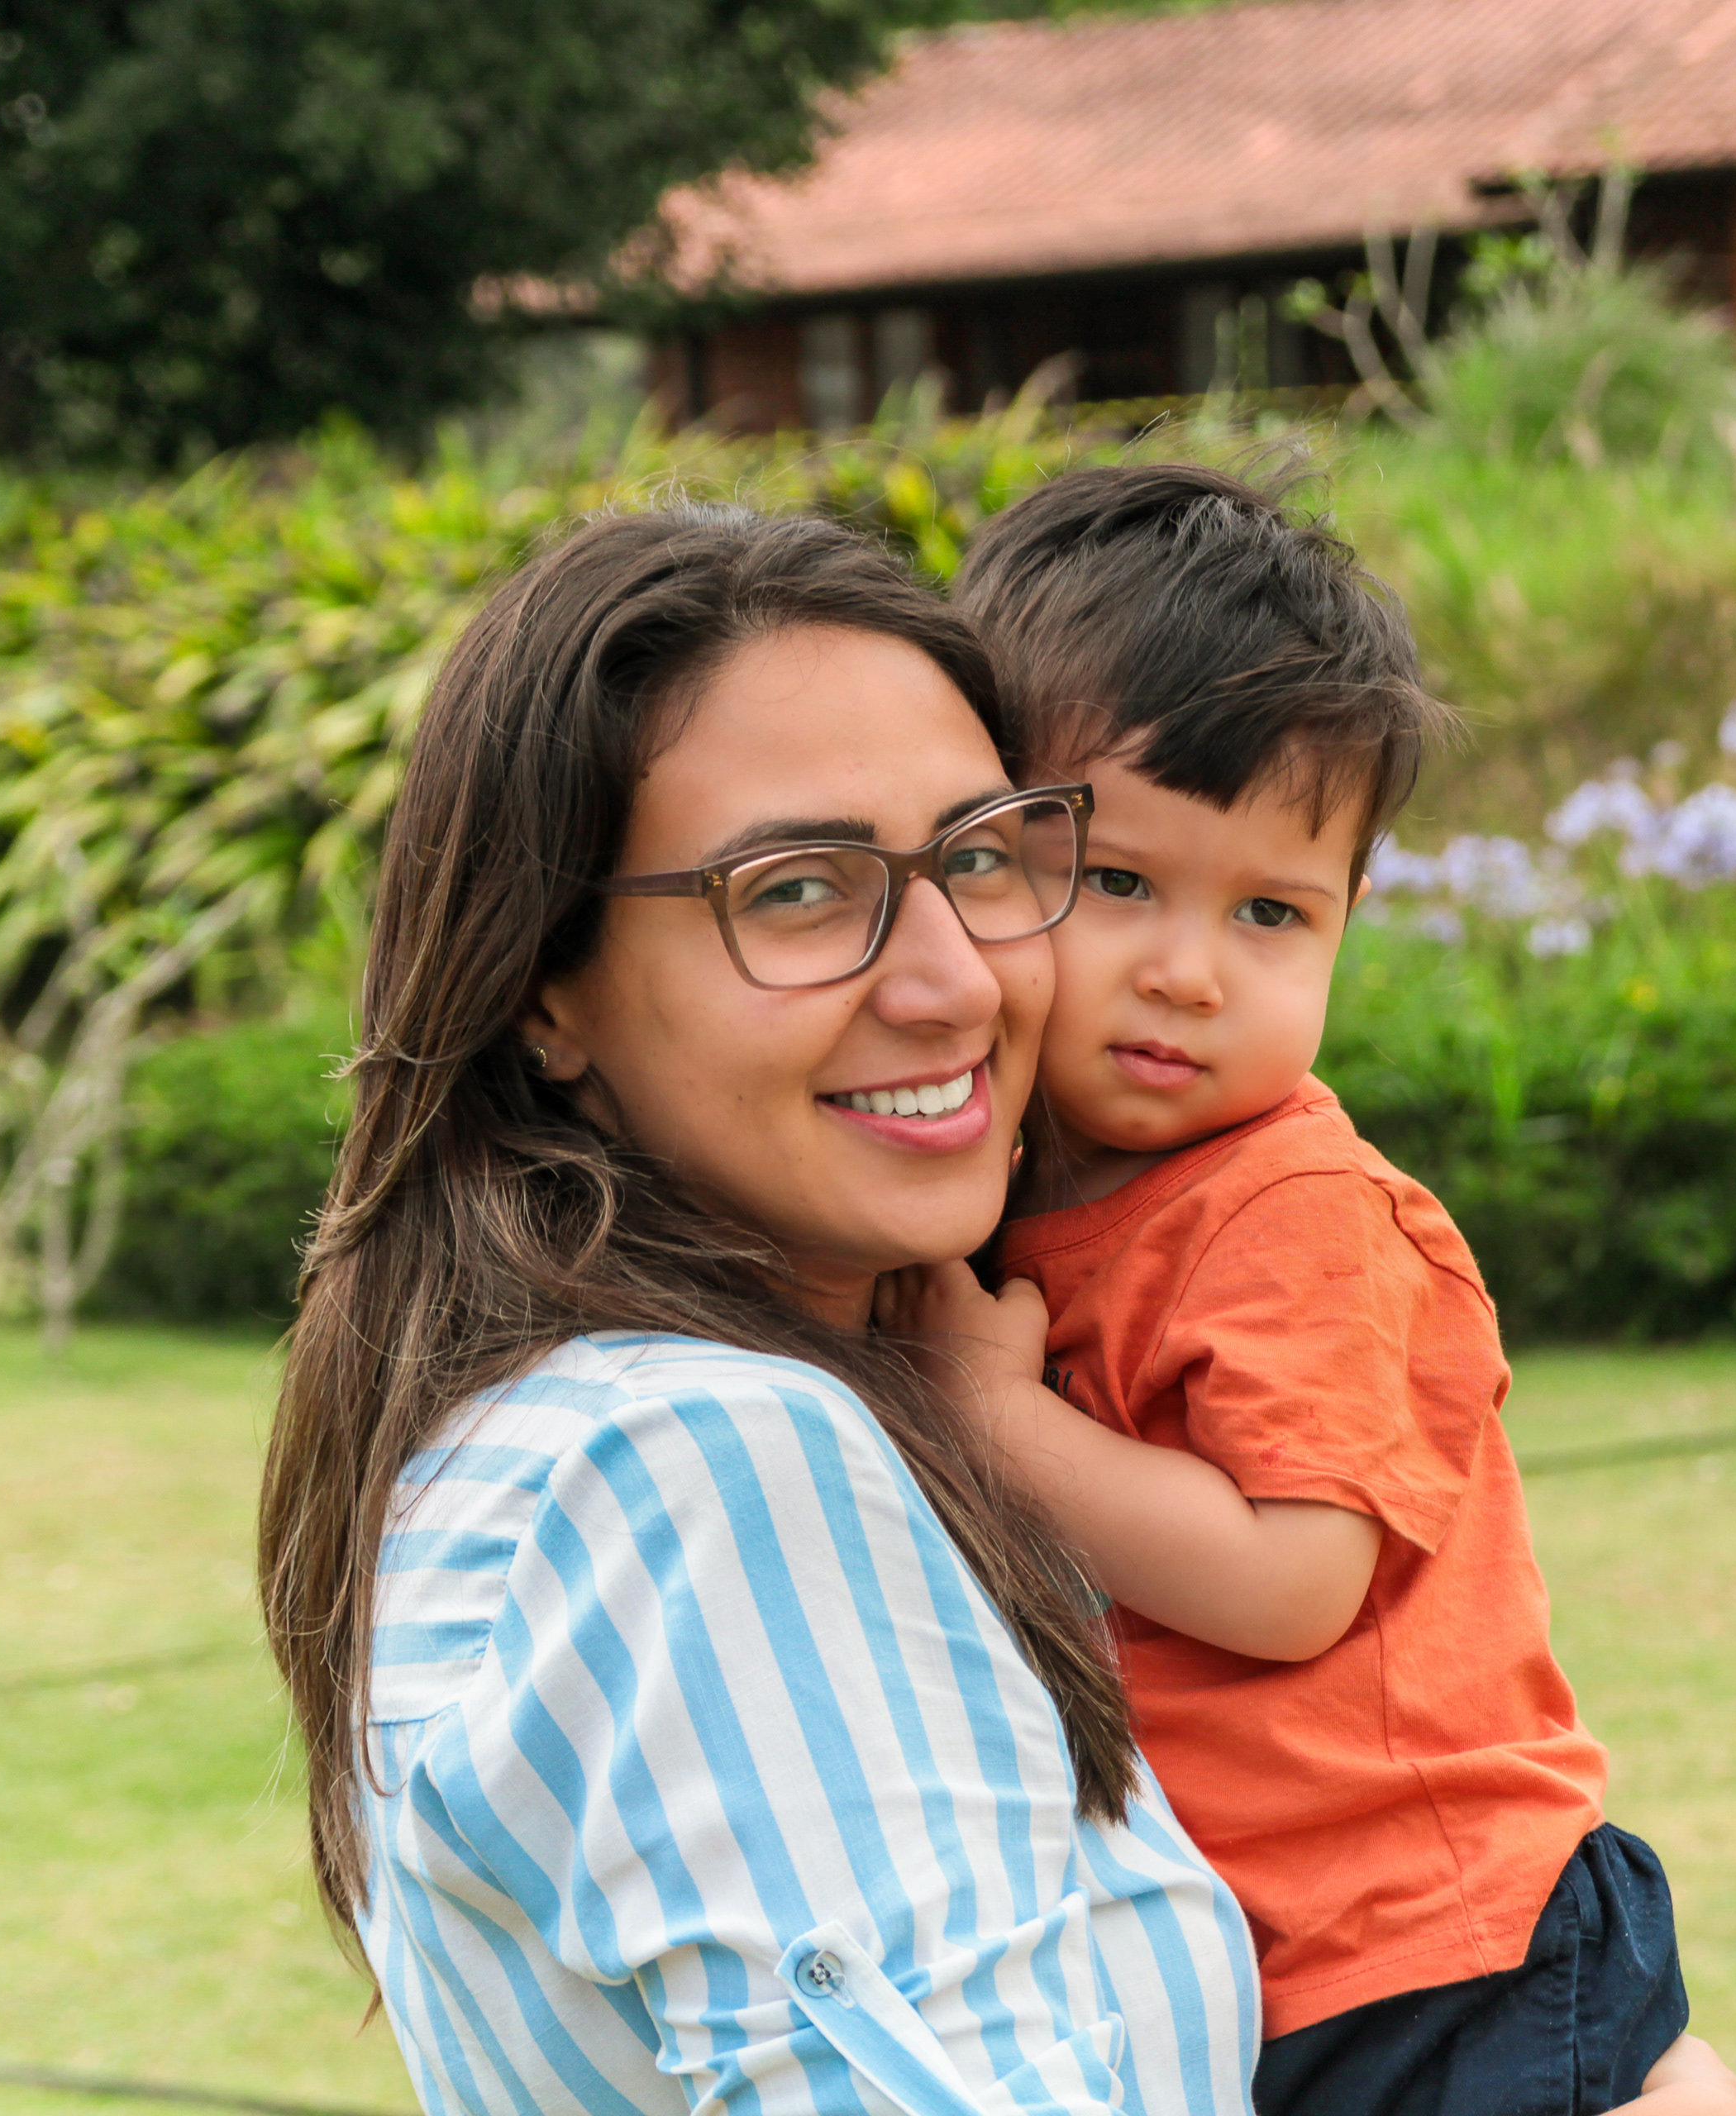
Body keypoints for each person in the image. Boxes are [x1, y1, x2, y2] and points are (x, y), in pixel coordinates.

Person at [256, 505, 1257, 2116]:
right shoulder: (698, 1463)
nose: (954, 978)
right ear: (544, 984)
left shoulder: (533, 1428)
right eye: (798, 889)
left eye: (984, 857)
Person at [890, 464, 1736, 2116]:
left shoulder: (1292, 1210)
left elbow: (1295, 1576)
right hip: (1256, 1960)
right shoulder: (993, 1197)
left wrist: (996, 1418)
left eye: (1272, 912)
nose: (1187, 969)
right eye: (1123, 880)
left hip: (1431, 1950)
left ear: (1352, 919)